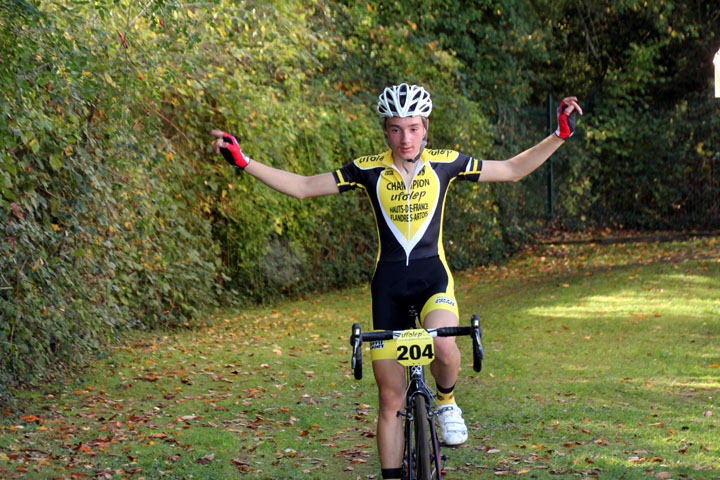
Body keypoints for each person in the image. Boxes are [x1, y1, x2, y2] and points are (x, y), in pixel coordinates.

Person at [211, 84, 581, 480]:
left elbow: (511, 169)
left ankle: (446, 401)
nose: (405, 138)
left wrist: (559, 134)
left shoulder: (446, 163)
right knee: (389, 399)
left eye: (413, 128)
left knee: (443, 342)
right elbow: (303, 187)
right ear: (385, 131)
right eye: (395, 129)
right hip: (387, 287)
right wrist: (243, 161)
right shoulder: (367, 169)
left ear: (426, 127)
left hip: (432, 279)